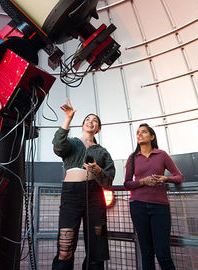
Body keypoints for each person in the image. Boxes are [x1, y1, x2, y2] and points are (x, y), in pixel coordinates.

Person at [52, 98, 115, 270]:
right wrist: (68, 118)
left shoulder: (102, 152)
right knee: (65, 249)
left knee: (96, 252)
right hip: (71, 195)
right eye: (88, 119)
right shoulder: (72, 143)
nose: (91, 121)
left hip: (94, 196)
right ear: (82, 124)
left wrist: (97, 170)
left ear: (98, 128)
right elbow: (58, 147)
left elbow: (109, 179)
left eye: (95, 120)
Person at [124, 123, 184, 270]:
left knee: (163, 253)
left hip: (160, 207)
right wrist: (142, 181)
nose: (139, 134)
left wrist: (166, 179)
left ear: (152, 136)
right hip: (138, 206)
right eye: (138, 132)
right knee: (146, 252)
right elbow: (127, 183)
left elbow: (179, 176)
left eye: (144, 132)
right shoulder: (132, 158)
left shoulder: (162, 154)